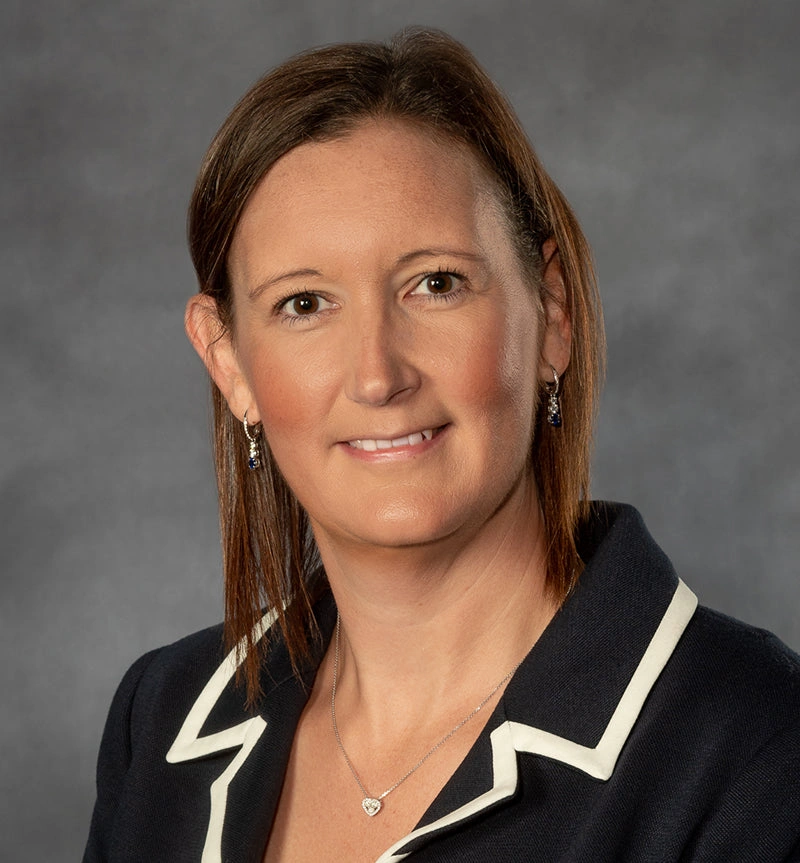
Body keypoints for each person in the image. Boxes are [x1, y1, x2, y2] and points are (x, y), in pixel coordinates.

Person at [83, 27, 800, 863]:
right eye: (305, 304)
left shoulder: (757, 752)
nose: (378, 374)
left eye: (437, 283)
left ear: (553, 315)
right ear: (229, 362)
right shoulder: (161, 721)